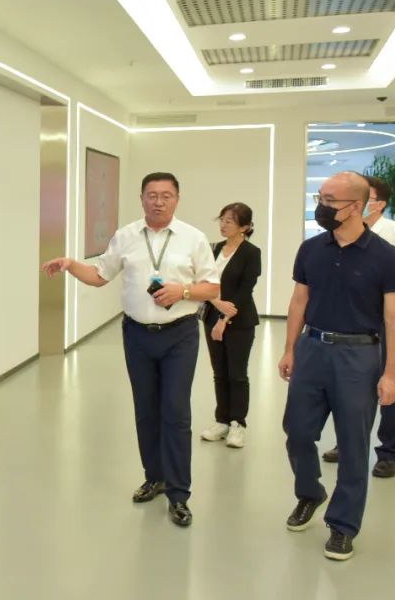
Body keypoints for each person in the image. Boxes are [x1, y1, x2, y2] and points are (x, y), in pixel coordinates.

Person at [43, 172, 219, 527]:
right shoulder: (126, 236)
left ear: (177, 199)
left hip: (180, 335)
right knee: (146, 409)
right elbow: (100, 275)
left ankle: (179, 494)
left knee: (175, 412)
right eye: (152, 195)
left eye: (166, 195)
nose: (158, 201)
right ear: (142, 199)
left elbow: (212, 288)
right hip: (137, 335)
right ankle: (154, 477)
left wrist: (183, 292)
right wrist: (71, 265)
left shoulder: (194, 238)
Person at [279, 172, 395, 562]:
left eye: (328, 200)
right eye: (320, 198)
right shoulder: (311, 248)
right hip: (312, 349)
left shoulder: (387, 257)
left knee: (353, 444)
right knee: (297, 432)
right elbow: (299, 301)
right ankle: (310, 493)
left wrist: (391, 373)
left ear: (355, 206)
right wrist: (289, 349)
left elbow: (394, 320)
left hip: (359, 356)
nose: (321, 206)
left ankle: (343, 525)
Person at [322, 175, 395, 477]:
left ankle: (388, 451)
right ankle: (347, 443)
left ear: (378, 203)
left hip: (390, 322)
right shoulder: (341, 235)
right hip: (354, 321)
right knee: (350, 385)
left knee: (391, 381)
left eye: (364, 197)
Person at [200, 203, 262, 449]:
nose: (223, 225)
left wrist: (224, 320)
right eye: (222, 220)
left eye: (229, 221)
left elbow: (245, 289)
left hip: (239, 321)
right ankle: (222, 420)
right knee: (219, 372)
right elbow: (203, 282)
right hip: (211, 315)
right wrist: (216, 306)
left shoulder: (251, 253)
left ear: (244, 227)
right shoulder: (214, 249)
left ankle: (238, 423)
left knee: (237, 374)